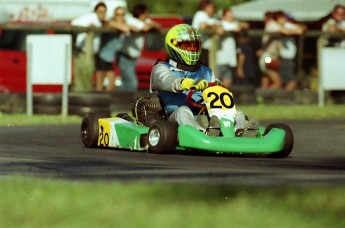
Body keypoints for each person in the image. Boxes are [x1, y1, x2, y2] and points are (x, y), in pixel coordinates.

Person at [150, 24, 258, 137]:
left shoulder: (206, 71)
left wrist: (219, 86)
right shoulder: (162, 68)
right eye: (187, 46)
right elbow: (167, 80)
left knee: (237, 113)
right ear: (173, 45)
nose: (192, 50)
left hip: (204, 114)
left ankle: (239, 132)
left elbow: (217, 87)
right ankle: (197, 134)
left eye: (195, 46)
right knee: (183, 110)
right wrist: (186, 83)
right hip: (172, 119)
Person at [117, 4, 161, 92]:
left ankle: (124, 103)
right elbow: (144, 28)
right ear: (141, 13)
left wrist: (150, 25)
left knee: (126, 83)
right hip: (125, 57)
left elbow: (158, 26)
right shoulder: (131, 20)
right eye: (146, 13)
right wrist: (148, 25)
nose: (147, 15)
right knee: (132, 83)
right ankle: (125, 103)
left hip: (133, 58)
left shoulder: (145, 21)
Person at [71, 2, 110, 91]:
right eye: (100, 12)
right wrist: (88, 28)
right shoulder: (89, 18)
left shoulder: (99, 22)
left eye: (104, 12)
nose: (102, 14)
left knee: (87, 75)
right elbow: (74, 23)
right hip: (83, 52)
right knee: (84, 75)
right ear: (95, 11)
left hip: (90, 53)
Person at [217, 8, 249, 88]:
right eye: (229, 16)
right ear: (223, 17)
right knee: (215, 82)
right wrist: (235, 28)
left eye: (232, 15)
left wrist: (238, 26)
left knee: (227, 83)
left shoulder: (234, 24)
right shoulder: (220, 24)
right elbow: (221, 29)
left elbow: (245, 25)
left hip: (230, 59)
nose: (231, 17)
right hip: (220, 59)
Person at [192, 0, 223, 65]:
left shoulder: (210, 17)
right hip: (199, 49)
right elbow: (203, 25)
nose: (213, 9)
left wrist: (216, 26)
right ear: (206, 7)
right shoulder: (200, 14)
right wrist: (215, 27)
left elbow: (220, 25)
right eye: (212, 7)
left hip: (206, 49)